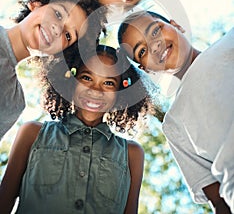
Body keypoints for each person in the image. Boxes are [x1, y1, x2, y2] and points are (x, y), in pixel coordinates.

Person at [0, 44, 163, 214]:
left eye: (108, 83)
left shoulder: (132, 154)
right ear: (71, 82)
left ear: (120, 94)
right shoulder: (32, 134)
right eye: (86, 78)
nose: (95, 90)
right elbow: (4, 200)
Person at [117, 10, 234, 213]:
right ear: (145, 69)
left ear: (176, 25)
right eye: (142, 52)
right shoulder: (174, 124)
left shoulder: (229, 42)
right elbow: (218, 201)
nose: (154, 45)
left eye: (155, 31)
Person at [0, 0, 106, 140]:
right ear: (37, 3)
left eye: (68, 35)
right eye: (57, 14)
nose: (58, 29)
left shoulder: (14, 103)